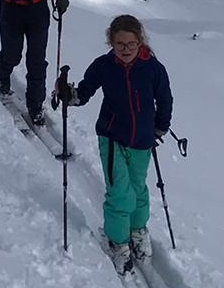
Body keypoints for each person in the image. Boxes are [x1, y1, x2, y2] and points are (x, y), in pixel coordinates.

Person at [54, 14, 172, 274]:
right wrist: (68, 94)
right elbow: (83, 94)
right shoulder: (103, 66)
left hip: (142, 140)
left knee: (139, 190)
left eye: (131, 44)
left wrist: (161, 126)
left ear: (140, 41)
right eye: (120, 44)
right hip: (112, 137)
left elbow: (165, 98)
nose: (126, 49)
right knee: (120, 192)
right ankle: (118, 242)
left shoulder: (153, 68)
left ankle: (138, 231)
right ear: (111, 42)